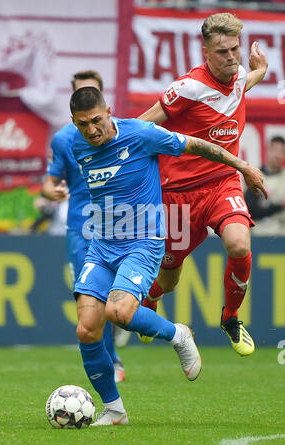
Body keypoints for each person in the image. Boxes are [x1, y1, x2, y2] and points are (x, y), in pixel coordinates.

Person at [70, 86, 266, 426]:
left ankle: (178, 335)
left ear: (110, 111)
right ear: (73, 122)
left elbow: (197, 145)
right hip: (101, 247)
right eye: (82, 124)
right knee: (87, 330)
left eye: (96, 120)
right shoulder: (77, 145)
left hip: (142, 242)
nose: (91, 130)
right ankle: (114, 411)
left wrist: (242, 166)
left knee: (118, 311)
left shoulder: (141, 134)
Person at [138, 12, 268, 356]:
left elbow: (244, 81)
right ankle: (150, 300)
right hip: (178, 195)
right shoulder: (187, 88)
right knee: (169, 279)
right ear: (205, 52)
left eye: (235, 49)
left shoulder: (239, 74)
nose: (231, 57)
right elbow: (143, 125)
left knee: (239, 244)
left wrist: (262, 70)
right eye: (222, 51)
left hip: (222, 182)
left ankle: (230, 317)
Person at [42, 70, 126, 383]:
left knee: (121, 298)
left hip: (121, 224)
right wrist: (54, 191)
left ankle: (145, 322)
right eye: (79, 94)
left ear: (104, 101)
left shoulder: (122, 133)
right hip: (81, 226)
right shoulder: (64, 139)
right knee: (90, 297)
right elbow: (49, 183)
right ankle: (112, 360)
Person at [245, 136, 285, 236]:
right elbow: (251, 210)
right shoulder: (254, 176)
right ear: (268, 150)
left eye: (281, 151)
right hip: (259, 233)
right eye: (274, 149)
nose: (277, 155)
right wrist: (279, 206)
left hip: (281, 233)